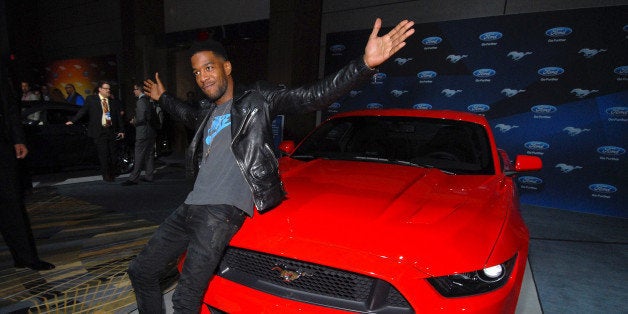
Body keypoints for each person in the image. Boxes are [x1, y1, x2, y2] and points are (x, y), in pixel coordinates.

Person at [127, 18, 414, 313]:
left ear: (226, 67)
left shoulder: (257, 100)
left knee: (185, 299)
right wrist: (163, 98)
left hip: (220, 210)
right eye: (197, 72)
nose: (203, 77)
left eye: (209, 67)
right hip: (190, 206)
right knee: (141, 271)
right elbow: (184, 113)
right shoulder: (206, 112)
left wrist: (364, 65)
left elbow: (312, 97)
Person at [1, 79, 55, 271]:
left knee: (12, 203)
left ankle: (25, 257)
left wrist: (18, 139)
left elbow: (9, 109)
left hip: (3, 146)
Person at [66, 81, 124, 182]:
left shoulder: (112, 101)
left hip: (110, 130)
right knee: (103, 154)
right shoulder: (91, 99)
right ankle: (107, 175)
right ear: (100, 89)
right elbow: (83, 111)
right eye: (106, 89)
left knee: (113, 154)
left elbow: (118, 117)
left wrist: (121, 130)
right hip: (99, 131)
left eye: (109, 89)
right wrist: (72, 120)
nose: (108, 91)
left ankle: (112, 171)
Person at [121, 83, 156, 185]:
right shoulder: (148, 100)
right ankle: (149, 176)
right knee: (149, 155)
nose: (133, 91)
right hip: (151, 132)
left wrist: (133, 121)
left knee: (139, 155)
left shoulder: (140, 101)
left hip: (143, 132)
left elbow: (141, 118)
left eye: (135, 89)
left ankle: (133, 178)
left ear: (139, 90)